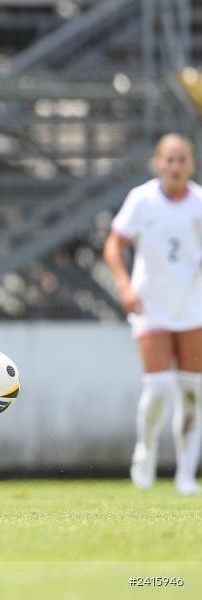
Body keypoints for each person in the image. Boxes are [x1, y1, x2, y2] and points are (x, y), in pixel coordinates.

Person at [103, 133, 202, 496]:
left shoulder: (199, 204)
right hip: (151, 307)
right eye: (169, 159)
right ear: (159, 163)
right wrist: (125, 287)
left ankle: (186, 475)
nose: (175, 167)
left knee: (192, 392)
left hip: (192, 309)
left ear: (190, 163)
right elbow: (114, 245)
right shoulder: (142, 200)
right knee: (159, 388)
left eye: (182, 159)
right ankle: (145, 452)